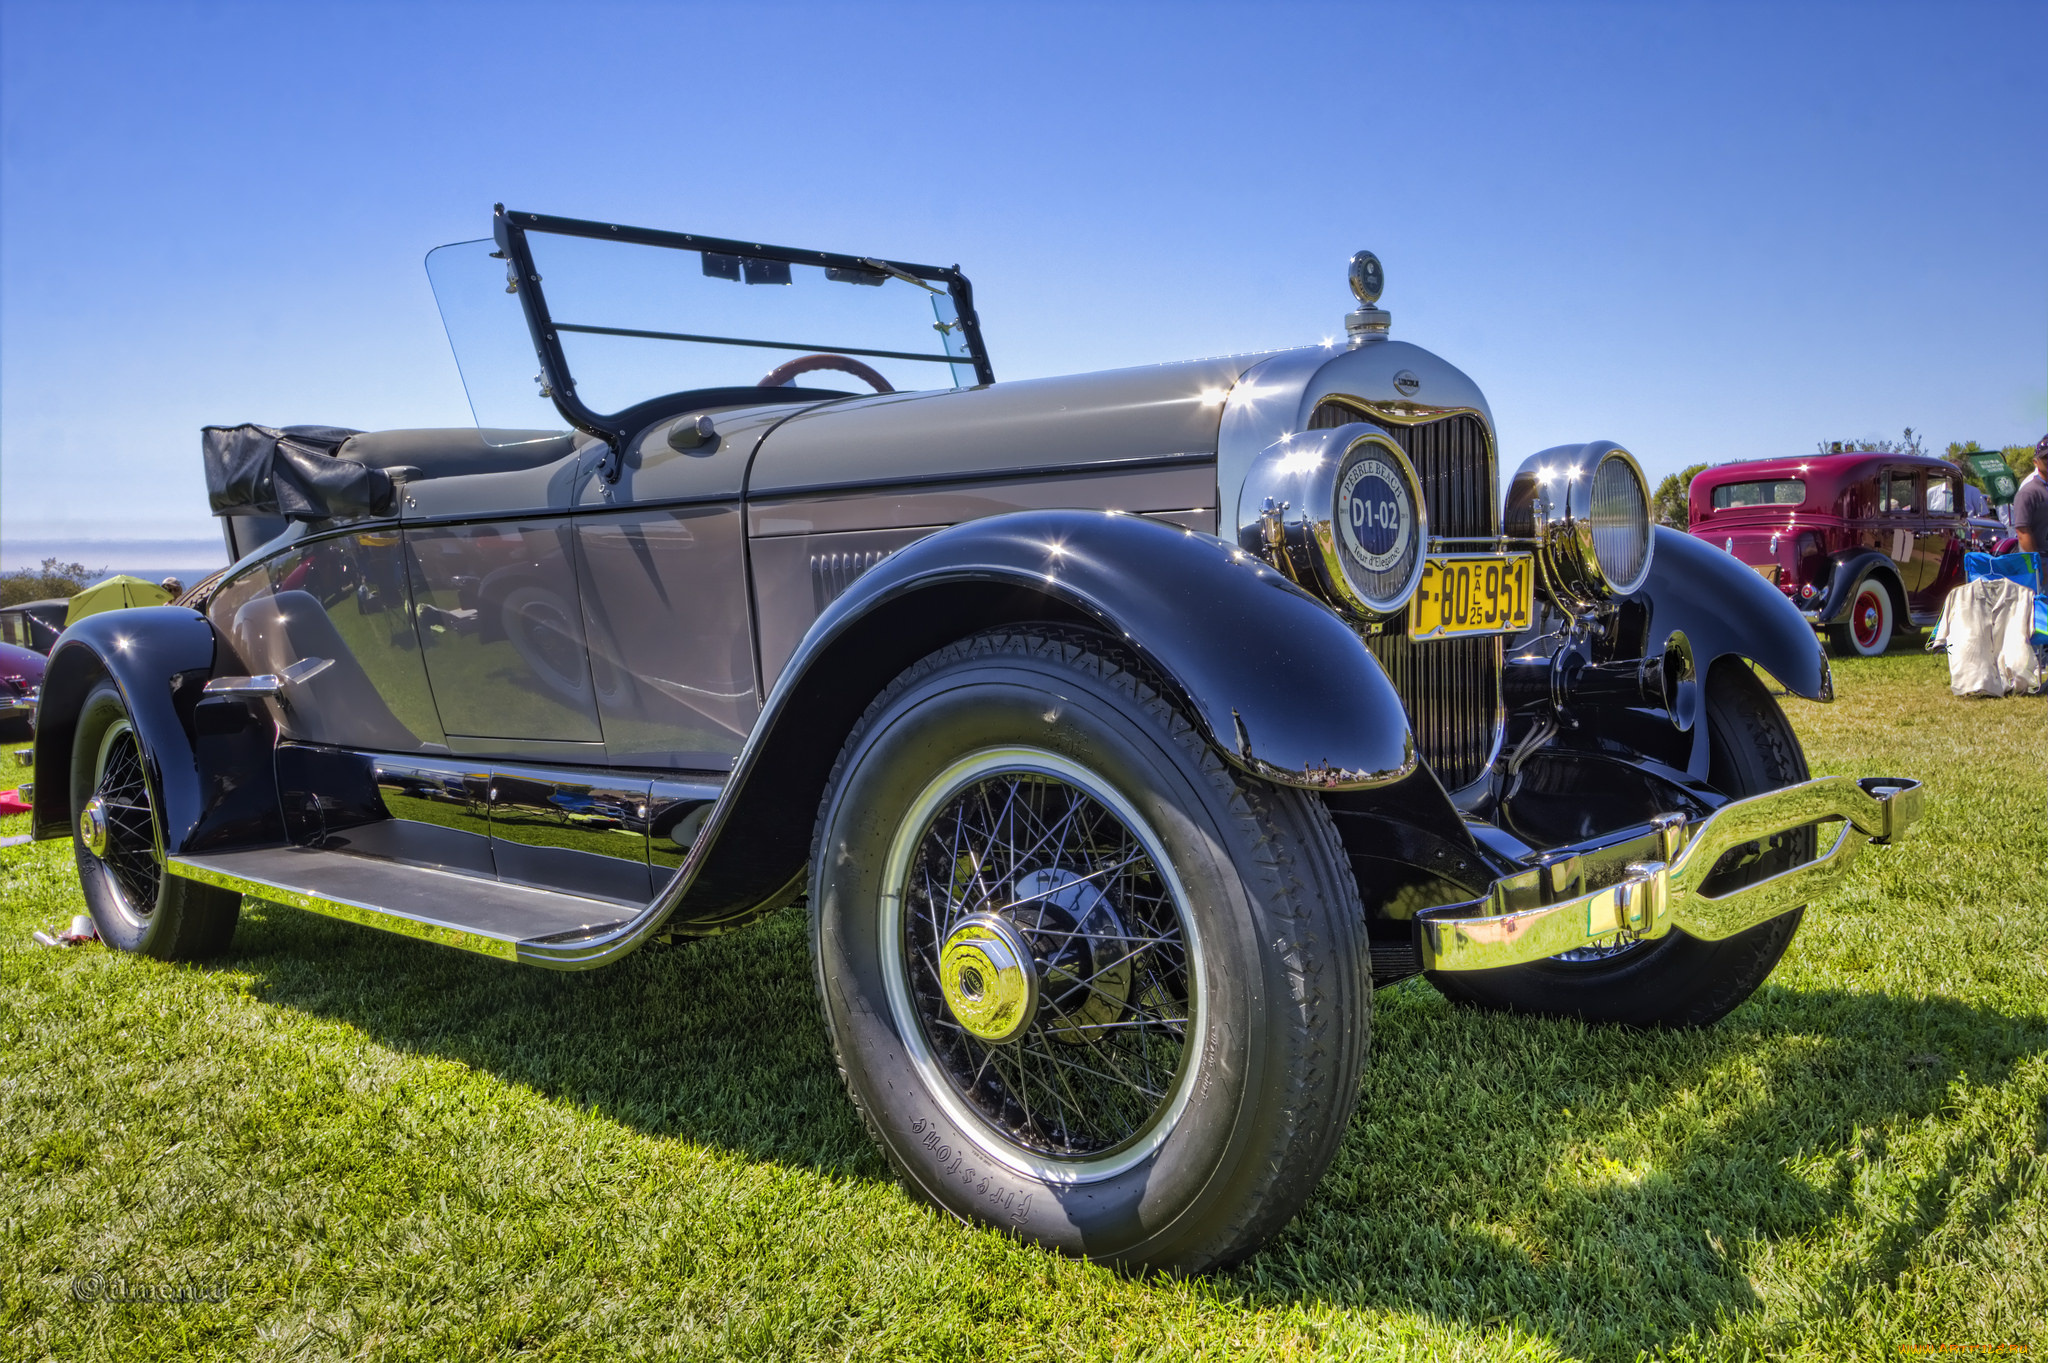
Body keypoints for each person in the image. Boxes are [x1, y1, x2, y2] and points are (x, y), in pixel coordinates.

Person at [2015, 437, 2048, 588]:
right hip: (2040, 563)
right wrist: (2039, 568)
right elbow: (2022, 532)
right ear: (2036, 462)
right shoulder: (2029, 492)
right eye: (2046, 457)